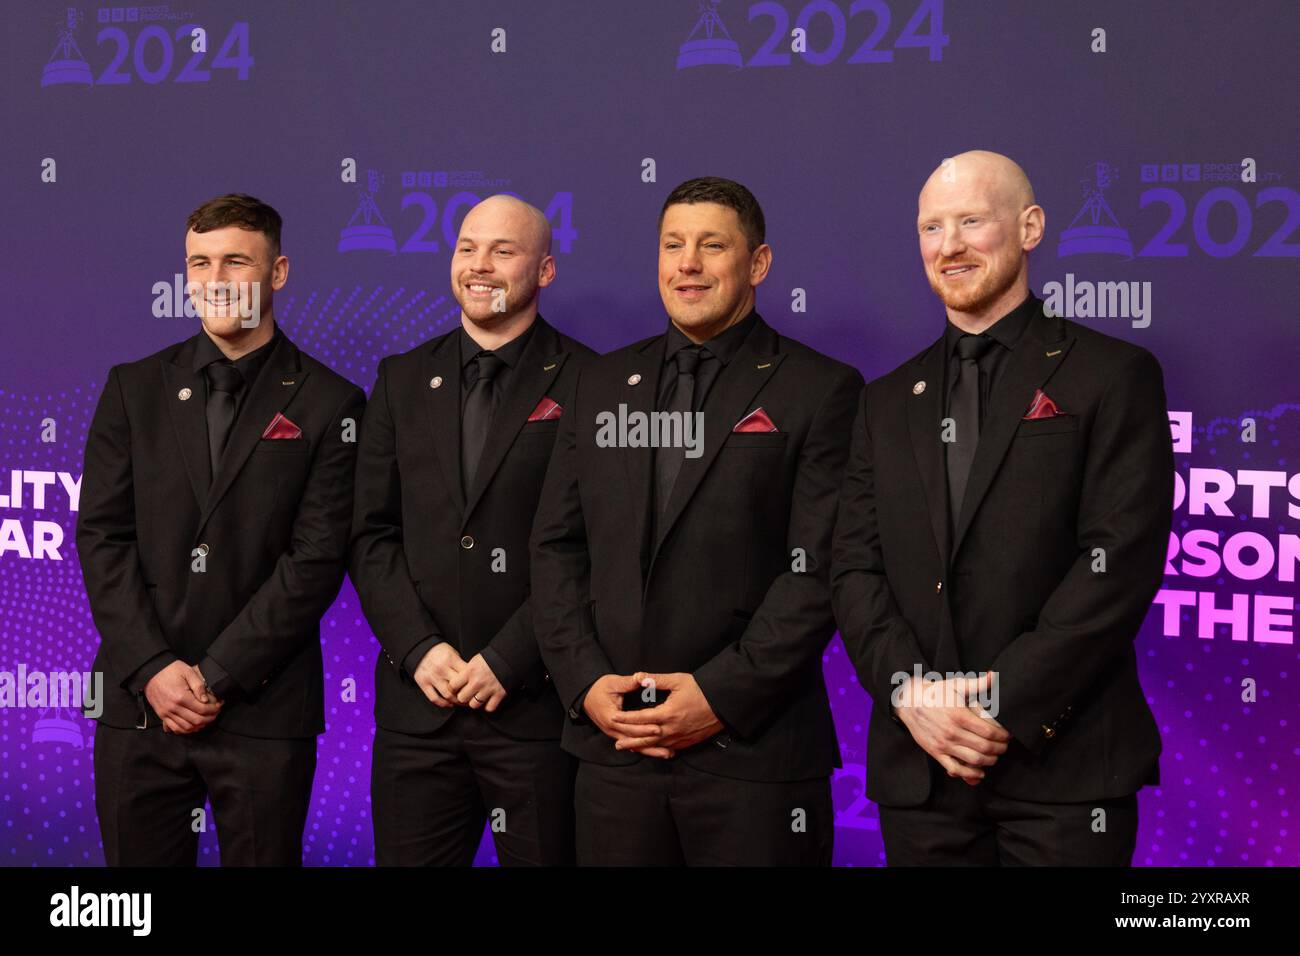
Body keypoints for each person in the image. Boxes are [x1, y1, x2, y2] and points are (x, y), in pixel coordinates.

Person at [831, 151, 1173, 865]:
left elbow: (1119, 563)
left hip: (1065, 769)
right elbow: (854, 569)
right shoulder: (887, 399)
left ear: (1030, 227)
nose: (949, 245)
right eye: (931, 226)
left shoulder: (1113, 375)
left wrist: (1002, 701)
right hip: (920, 772)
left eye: (971, 221)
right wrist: (910, 692)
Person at [530, 177, 863, 865]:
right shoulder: (596, 385)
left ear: (758, 264)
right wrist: (587, 683)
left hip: (755, 756)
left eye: (713, 246)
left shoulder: (820, 390)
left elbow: (819, 570)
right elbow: (557, 547)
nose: (688, 263)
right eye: (673, 245)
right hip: (613, 750)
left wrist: (717, 695)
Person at [79, 193, 365, 865]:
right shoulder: (133, 388)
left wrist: (216, 674)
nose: (215, 281)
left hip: (266, 711)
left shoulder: (332, 404)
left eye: (236, 261)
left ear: (279, 272)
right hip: (140, 708)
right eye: (199, 263)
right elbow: (101, 537)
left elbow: (316, 559)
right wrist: (152, 668)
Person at [351, 195, 595, 865]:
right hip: (416, 714)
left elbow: (597, 547)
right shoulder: (400, 380)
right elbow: (370, 535)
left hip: (538, 712)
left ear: (544, 271)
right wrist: (419, 648)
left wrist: (509, 659)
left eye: (503, 251)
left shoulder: (594, 384)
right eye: (467, 248)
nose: (480, 266)